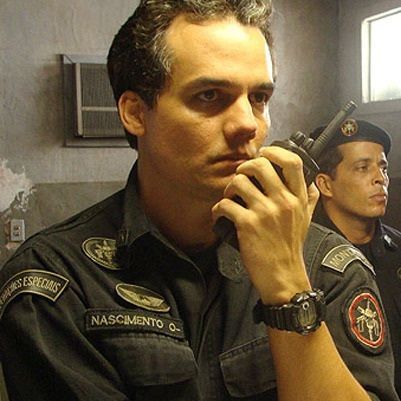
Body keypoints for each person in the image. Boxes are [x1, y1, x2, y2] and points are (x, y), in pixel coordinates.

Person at [0, 1, 398, 400]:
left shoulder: (324, 266)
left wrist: (288, 288)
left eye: (259, 98)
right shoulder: (57, 282)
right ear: (135, 113)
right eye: (209, 96)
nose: (247, 123)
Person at [311, 118, 401, 397]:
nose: (380, 178)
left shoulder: (398, 249)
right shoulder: (304, 258)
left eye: (383, 167)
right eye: (363, 168)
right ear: (325, 185)